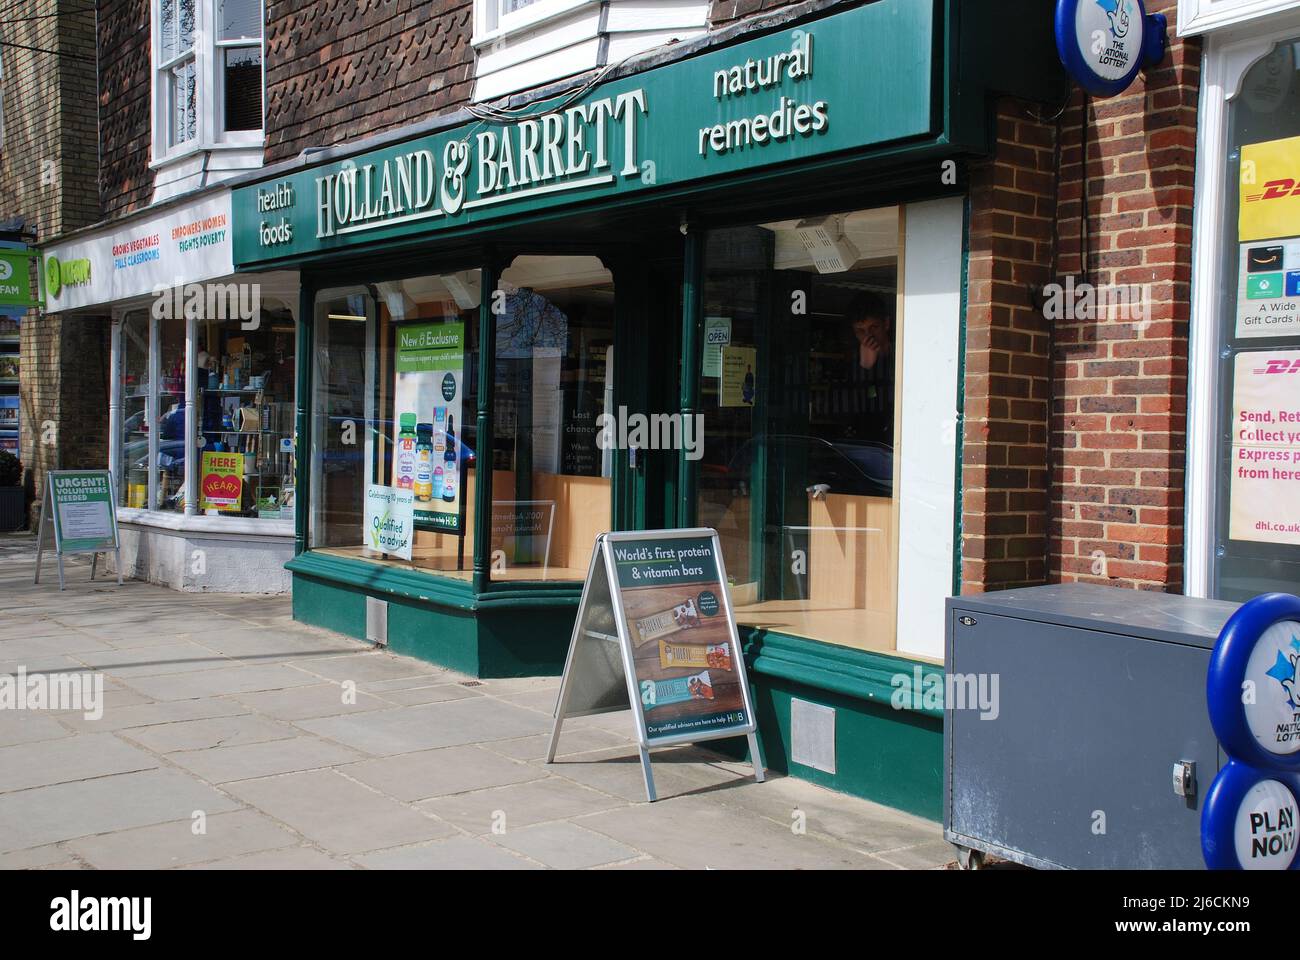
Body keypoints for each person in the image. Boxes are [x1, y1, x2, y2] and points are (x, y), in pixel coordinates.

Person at [845, 290, 894, 372]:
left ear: (886, 323)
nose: (868, 335)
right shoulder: (852, 358)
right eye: (860, 330)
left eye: (874, 327)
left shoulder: (903, 353)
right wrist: (865, 365)